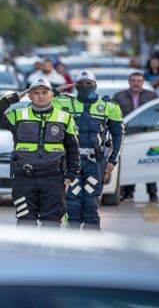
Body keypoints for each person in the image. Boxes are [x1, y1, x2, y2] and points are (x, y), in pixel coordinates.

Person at [0, 78, 80, 228]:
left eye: (44, 92)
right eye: (36, 92)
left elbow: (73, 148)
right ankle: (27, 252)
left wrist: (71, 173)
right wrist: (15, 97)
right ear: (29, 95)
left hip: (53, 179)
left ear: (51, 95)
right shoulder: (17, 115)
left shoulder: (65, 117)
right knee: (25, 223)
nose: (40, 96)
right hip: (24, 179)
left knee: (52, 223)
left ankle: (48, 252)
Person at [53, 70, 124, 230]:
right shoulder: (63, 103)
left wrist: (113, 160)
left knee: (91, 203)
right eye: (81, 84)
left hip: (95, 163)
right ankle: (74, 239)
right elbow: (41, 98)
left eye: (89, 83)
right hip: (72, 162)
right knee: (73, 202)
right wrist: (61, 88)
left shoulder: (108, 106)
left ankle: (93, 243)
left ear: (95, 85)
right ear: (75, 86)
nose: (85, 86)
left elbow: (118, 134)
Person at [112, 72, 159, 202]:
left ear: (142, 82)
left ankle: (152, 193)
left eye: (139, 81)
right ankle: (128, 193)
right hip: (128, 136)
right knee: (129, 163)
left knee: (149, 163)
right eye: (133, 80)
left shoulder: (152, 95)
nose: (136, 83)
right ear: (129, 82)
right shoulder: (119, 96)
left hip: (147, 135)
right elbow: (113, 115)